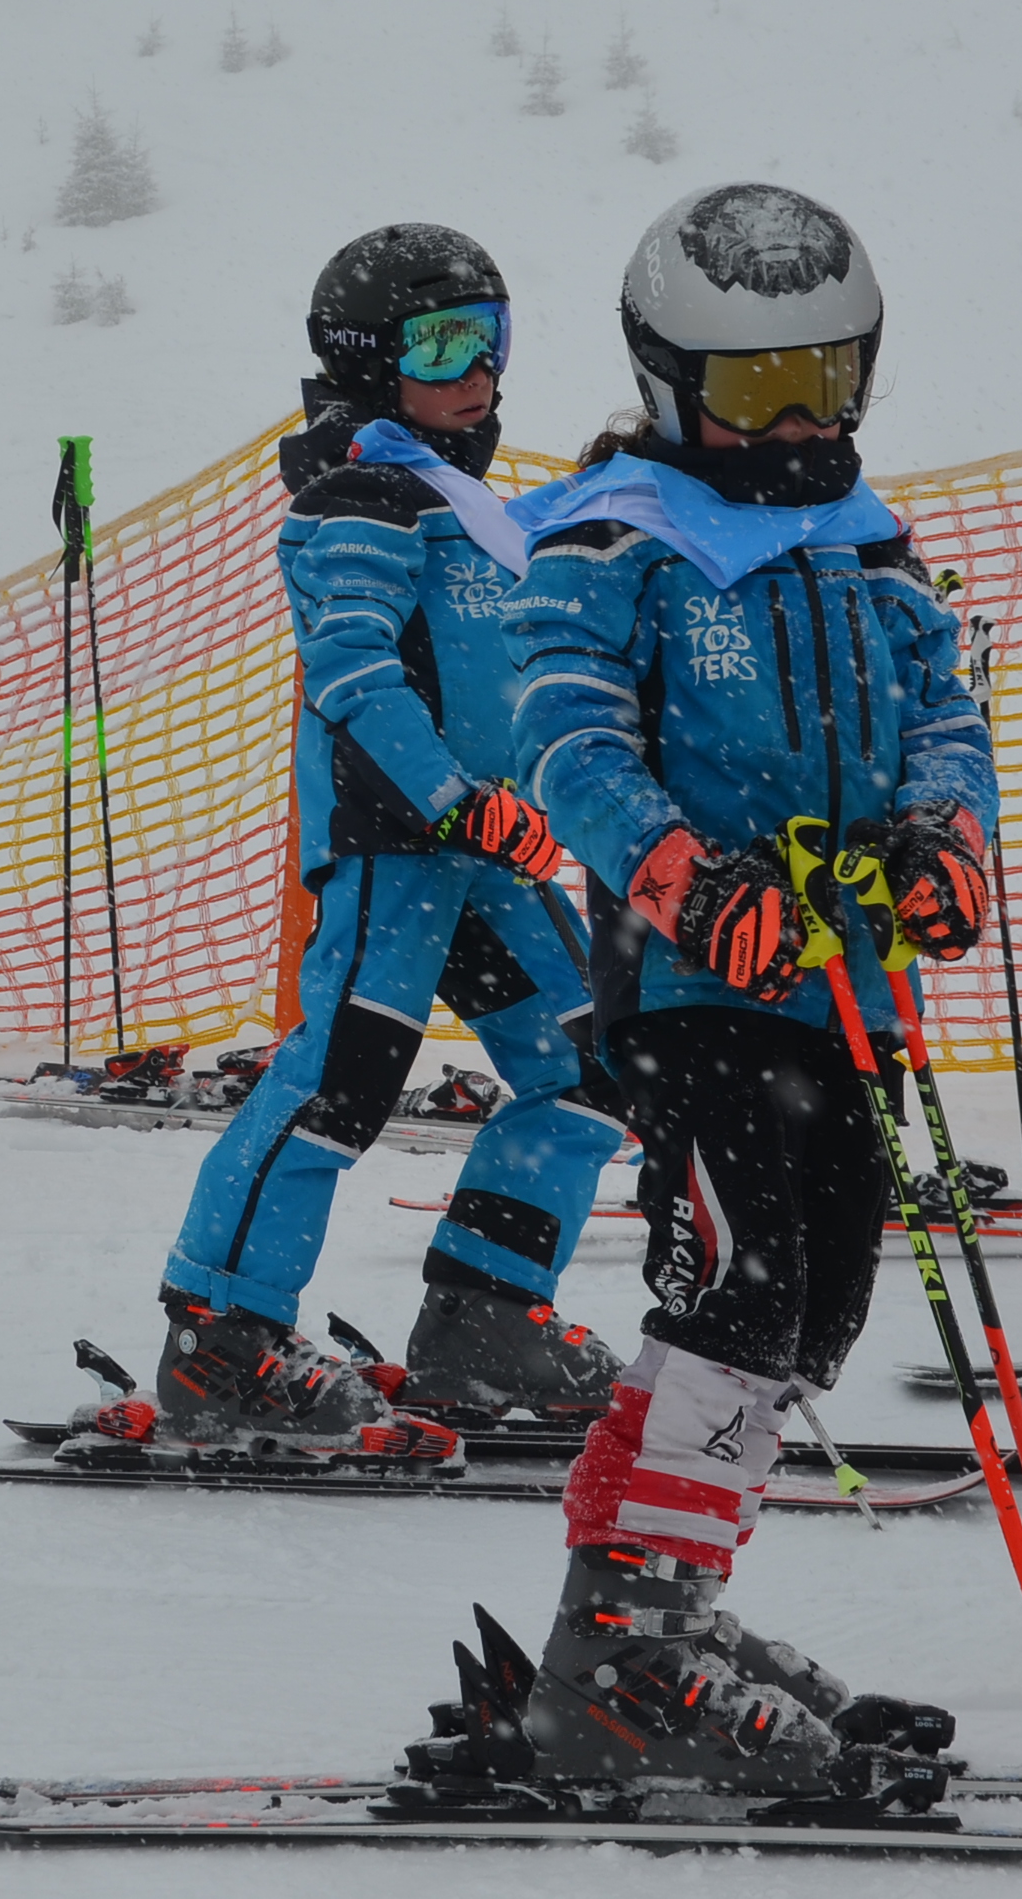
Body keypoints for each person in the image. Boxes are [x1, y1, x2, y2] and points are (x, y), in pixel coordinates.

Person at [502, 183, 995, 1792]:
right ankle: (623, 1655)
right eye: (756, 390)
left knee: (816, 1305)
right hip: (697, 992)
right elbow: (565, 735)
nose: (796, 425)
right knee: (735, 1292)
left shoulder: (870, 548)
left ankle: (669, 1609)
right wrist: (683, 877)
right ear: (669, 381)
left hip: (843, 993)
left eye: (825, 383)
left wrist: (943, 836)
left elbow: (945, 711)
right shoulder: (617, 539)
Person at [152, 225, 634, 1449]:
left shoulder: (470, 506)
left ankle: (486, 1311)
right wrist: (450, 795)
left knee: (594, 1067)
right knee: (343, 1078)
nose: (477, 370)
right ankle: (222, 1334)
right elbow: (353, 674)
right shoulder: (358, 498)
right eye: (439, 343)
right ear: (371, 360)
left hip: (493, 854)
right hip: (397, 845)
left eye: (491, 337)